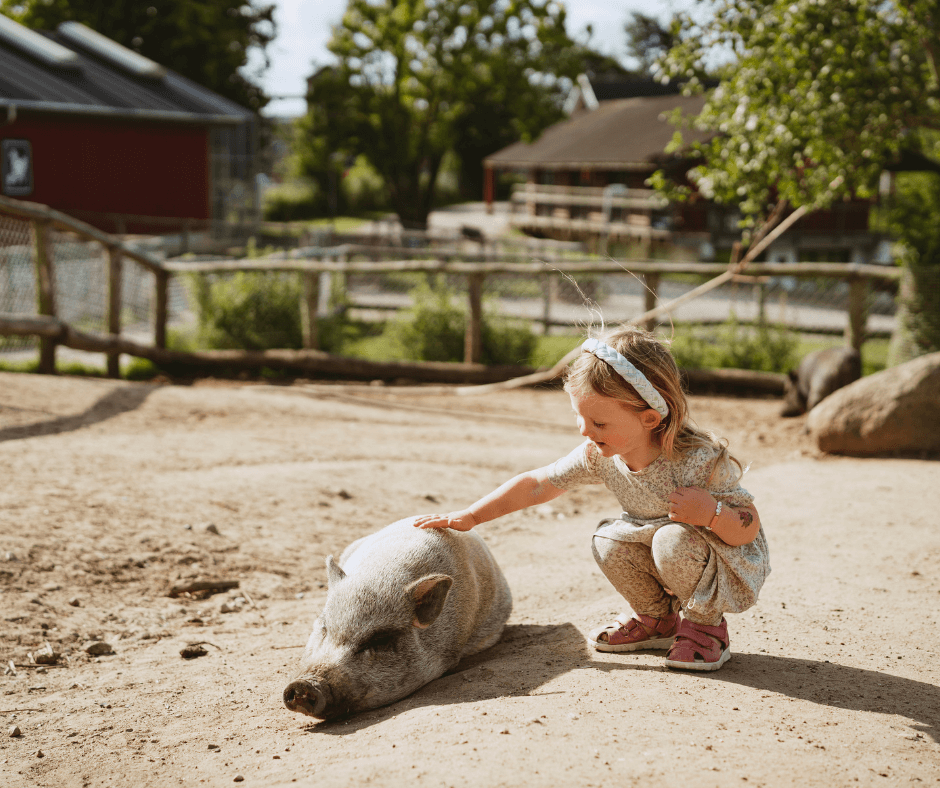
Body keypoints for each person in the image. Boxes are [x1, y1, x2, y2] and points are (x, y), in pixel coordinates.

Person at [413, 326, 770, 671]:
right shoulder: (599, 453)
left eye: (598, 422)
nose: (585, 430)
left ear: (648, 418)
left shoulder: (696, 460)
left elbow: (748, 527)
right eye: (579, 416)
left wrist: (711, 512)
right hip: (656, 543)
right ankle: (657, 620)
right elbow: (539, 483)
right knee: (609, 539)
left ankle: (706, 625)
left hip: (717, 555)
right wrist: (472, 516)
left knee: (671, 539)